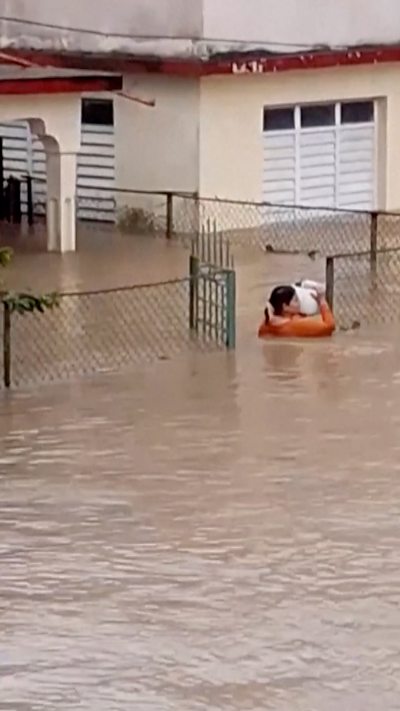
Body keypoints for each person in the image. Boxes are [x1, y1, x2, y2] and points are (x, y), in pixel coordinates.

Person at [258, 285, 335, 338]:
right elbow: (330, 326)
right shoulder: (295, 324)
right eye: (296, 300)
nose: (299, 302)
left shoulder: (267, 323)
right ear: (285, 306)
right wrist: (322, 300)